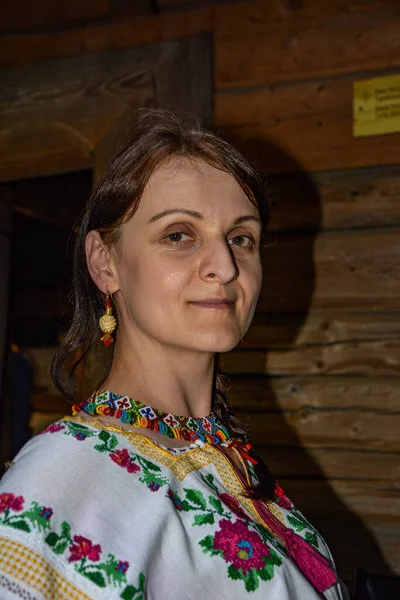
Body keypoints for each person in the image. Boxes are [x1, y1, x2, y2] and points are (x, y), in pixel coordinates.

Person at [0, 110, 348, 600]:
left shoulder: (227, 455)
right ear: (106, 263)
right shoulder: (60, 477)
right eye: (179, 235)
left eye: (240, 238)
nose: (225, 266)